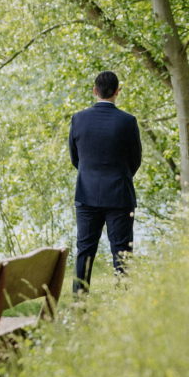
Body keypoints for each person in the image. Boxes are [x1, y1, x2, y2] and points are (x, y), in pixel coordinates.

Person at [68, 71, 142, 294]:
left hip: (87, 194)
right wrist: (120, 175)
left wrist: (90, 174)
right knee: (121, 250)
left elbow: (75, 158)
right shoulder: (128, 122)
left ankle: (79, 303)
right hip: (119, 194)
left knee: (85, 251)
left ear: (94, 91)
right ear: (117, 92)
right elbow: (135, 160)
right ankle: (123, 298)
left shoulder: (78, 119)